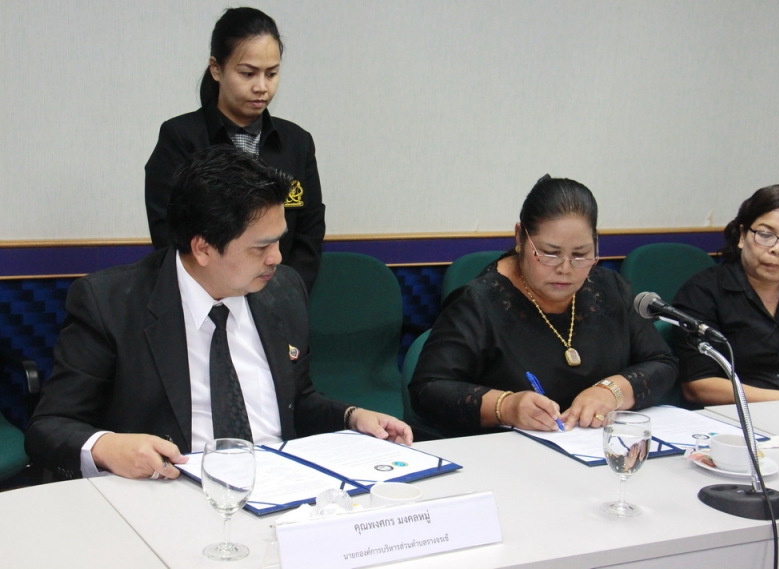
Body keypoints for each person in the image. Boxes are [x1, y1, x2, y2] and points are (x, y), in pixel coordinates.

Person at [26, 145, 411, 481]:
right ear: (204, 248)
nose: (277, 258)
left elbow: (294, 400)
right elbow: (48, 427)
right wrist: (107, 447)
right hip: (169, 490)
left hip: (280, 485)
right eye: (260, 247)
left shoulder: (284, 291)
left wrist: (351, 417)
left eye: (278, 241)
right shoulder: (110, 303)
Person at [409, 176, 676, 436]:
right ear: (520, 237)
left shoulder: (610, 289)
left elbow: (662, 363)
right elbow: (428, 390)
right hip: (508, 451)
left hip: (596, 446)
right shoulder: (478, 303)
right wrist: (506, 407)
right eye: (549, 253)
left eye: (581, 255)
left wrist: (612, 391)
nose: (565, 269)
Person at [145, 7, 324, 292]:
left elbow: (308, 236)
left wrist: (282, 297)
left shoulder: (297, 142)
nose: (261, 87)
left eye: (272, 73)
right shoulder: (180, 138)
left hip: (278, 298)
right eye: (248, 73)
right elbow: (169, 235)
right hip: (204, 299)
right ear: (216, 69)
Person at [673, 184, 779, 405]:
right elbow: (699, 386)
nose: (777, 249)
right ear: (742, 236)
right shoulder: (703, 292)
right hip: (735, 414)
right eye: (765, 235)